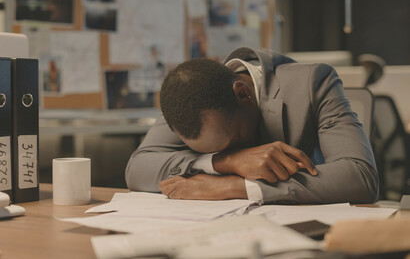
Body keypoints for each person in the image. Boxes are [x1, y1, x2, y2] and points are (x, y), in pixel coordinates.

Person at [125, 47, 378, 204]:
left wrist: (235, 186)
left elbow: (360, 178)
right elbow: (137, 169)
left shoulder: (315, 82)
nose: (229, 151)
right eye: (209, 151)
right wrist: (225, 161)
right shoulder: (188, 98)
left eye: (232, 143)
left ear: (243, 94)